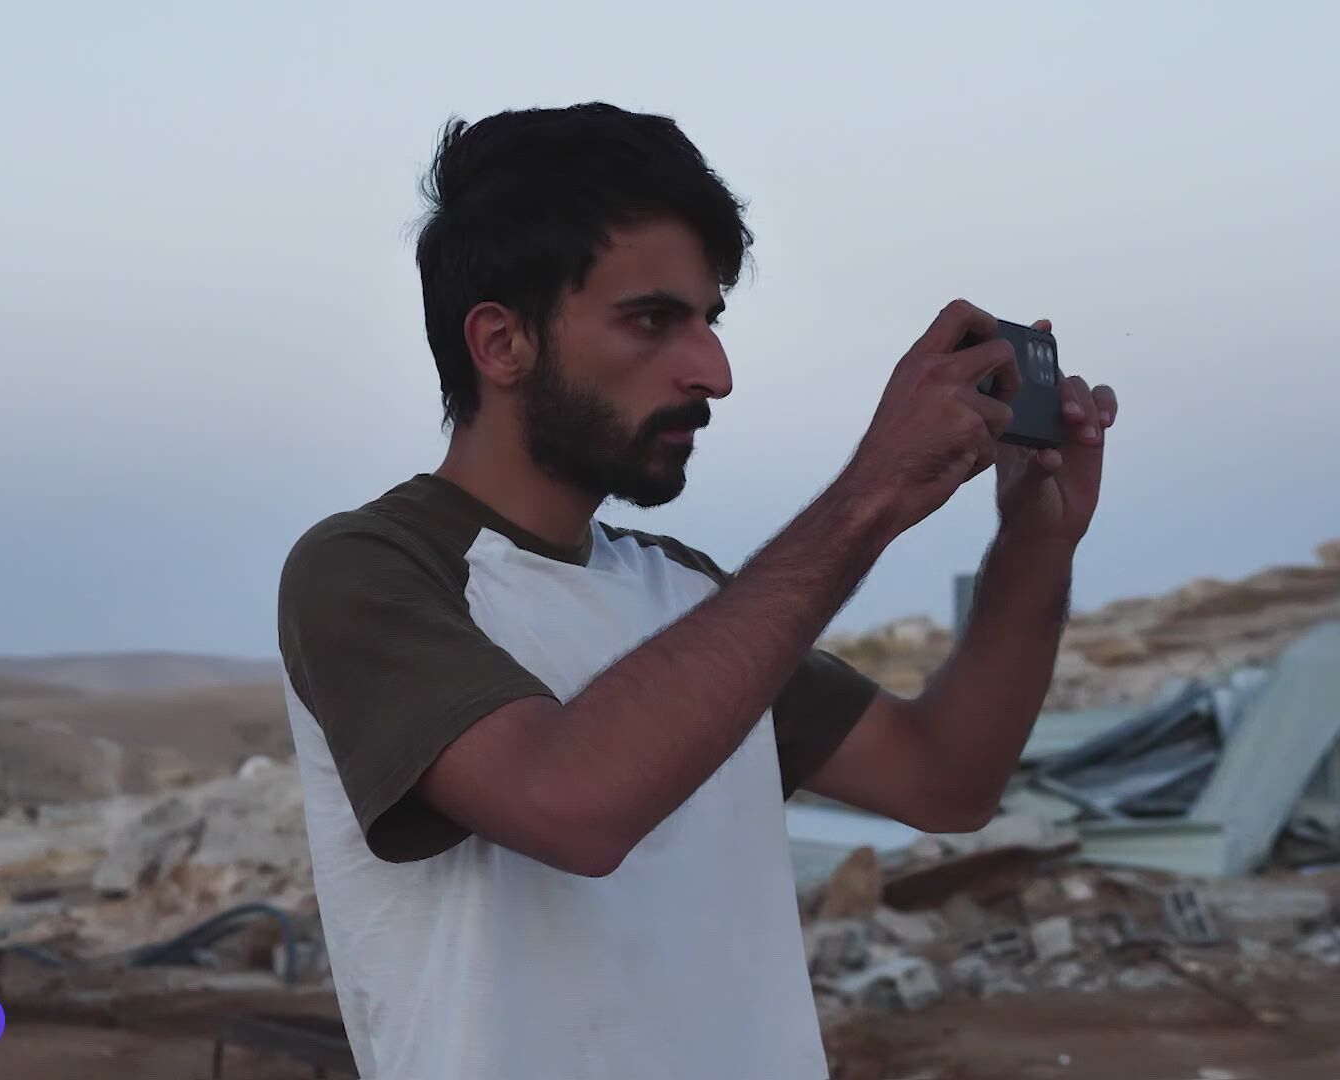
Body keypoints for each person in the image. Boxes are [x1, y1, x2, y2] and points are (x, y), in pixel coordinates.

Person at [275, 102, 1118, 1080]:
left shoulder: (684, 593)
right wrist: (869, 496)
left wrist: (1035, 543)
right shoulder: (369, 569)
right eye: (652, 320)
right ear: (502, 343)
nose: (712, 372)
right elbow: (569, 804)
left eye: (709, 322)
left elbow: (945, 780)